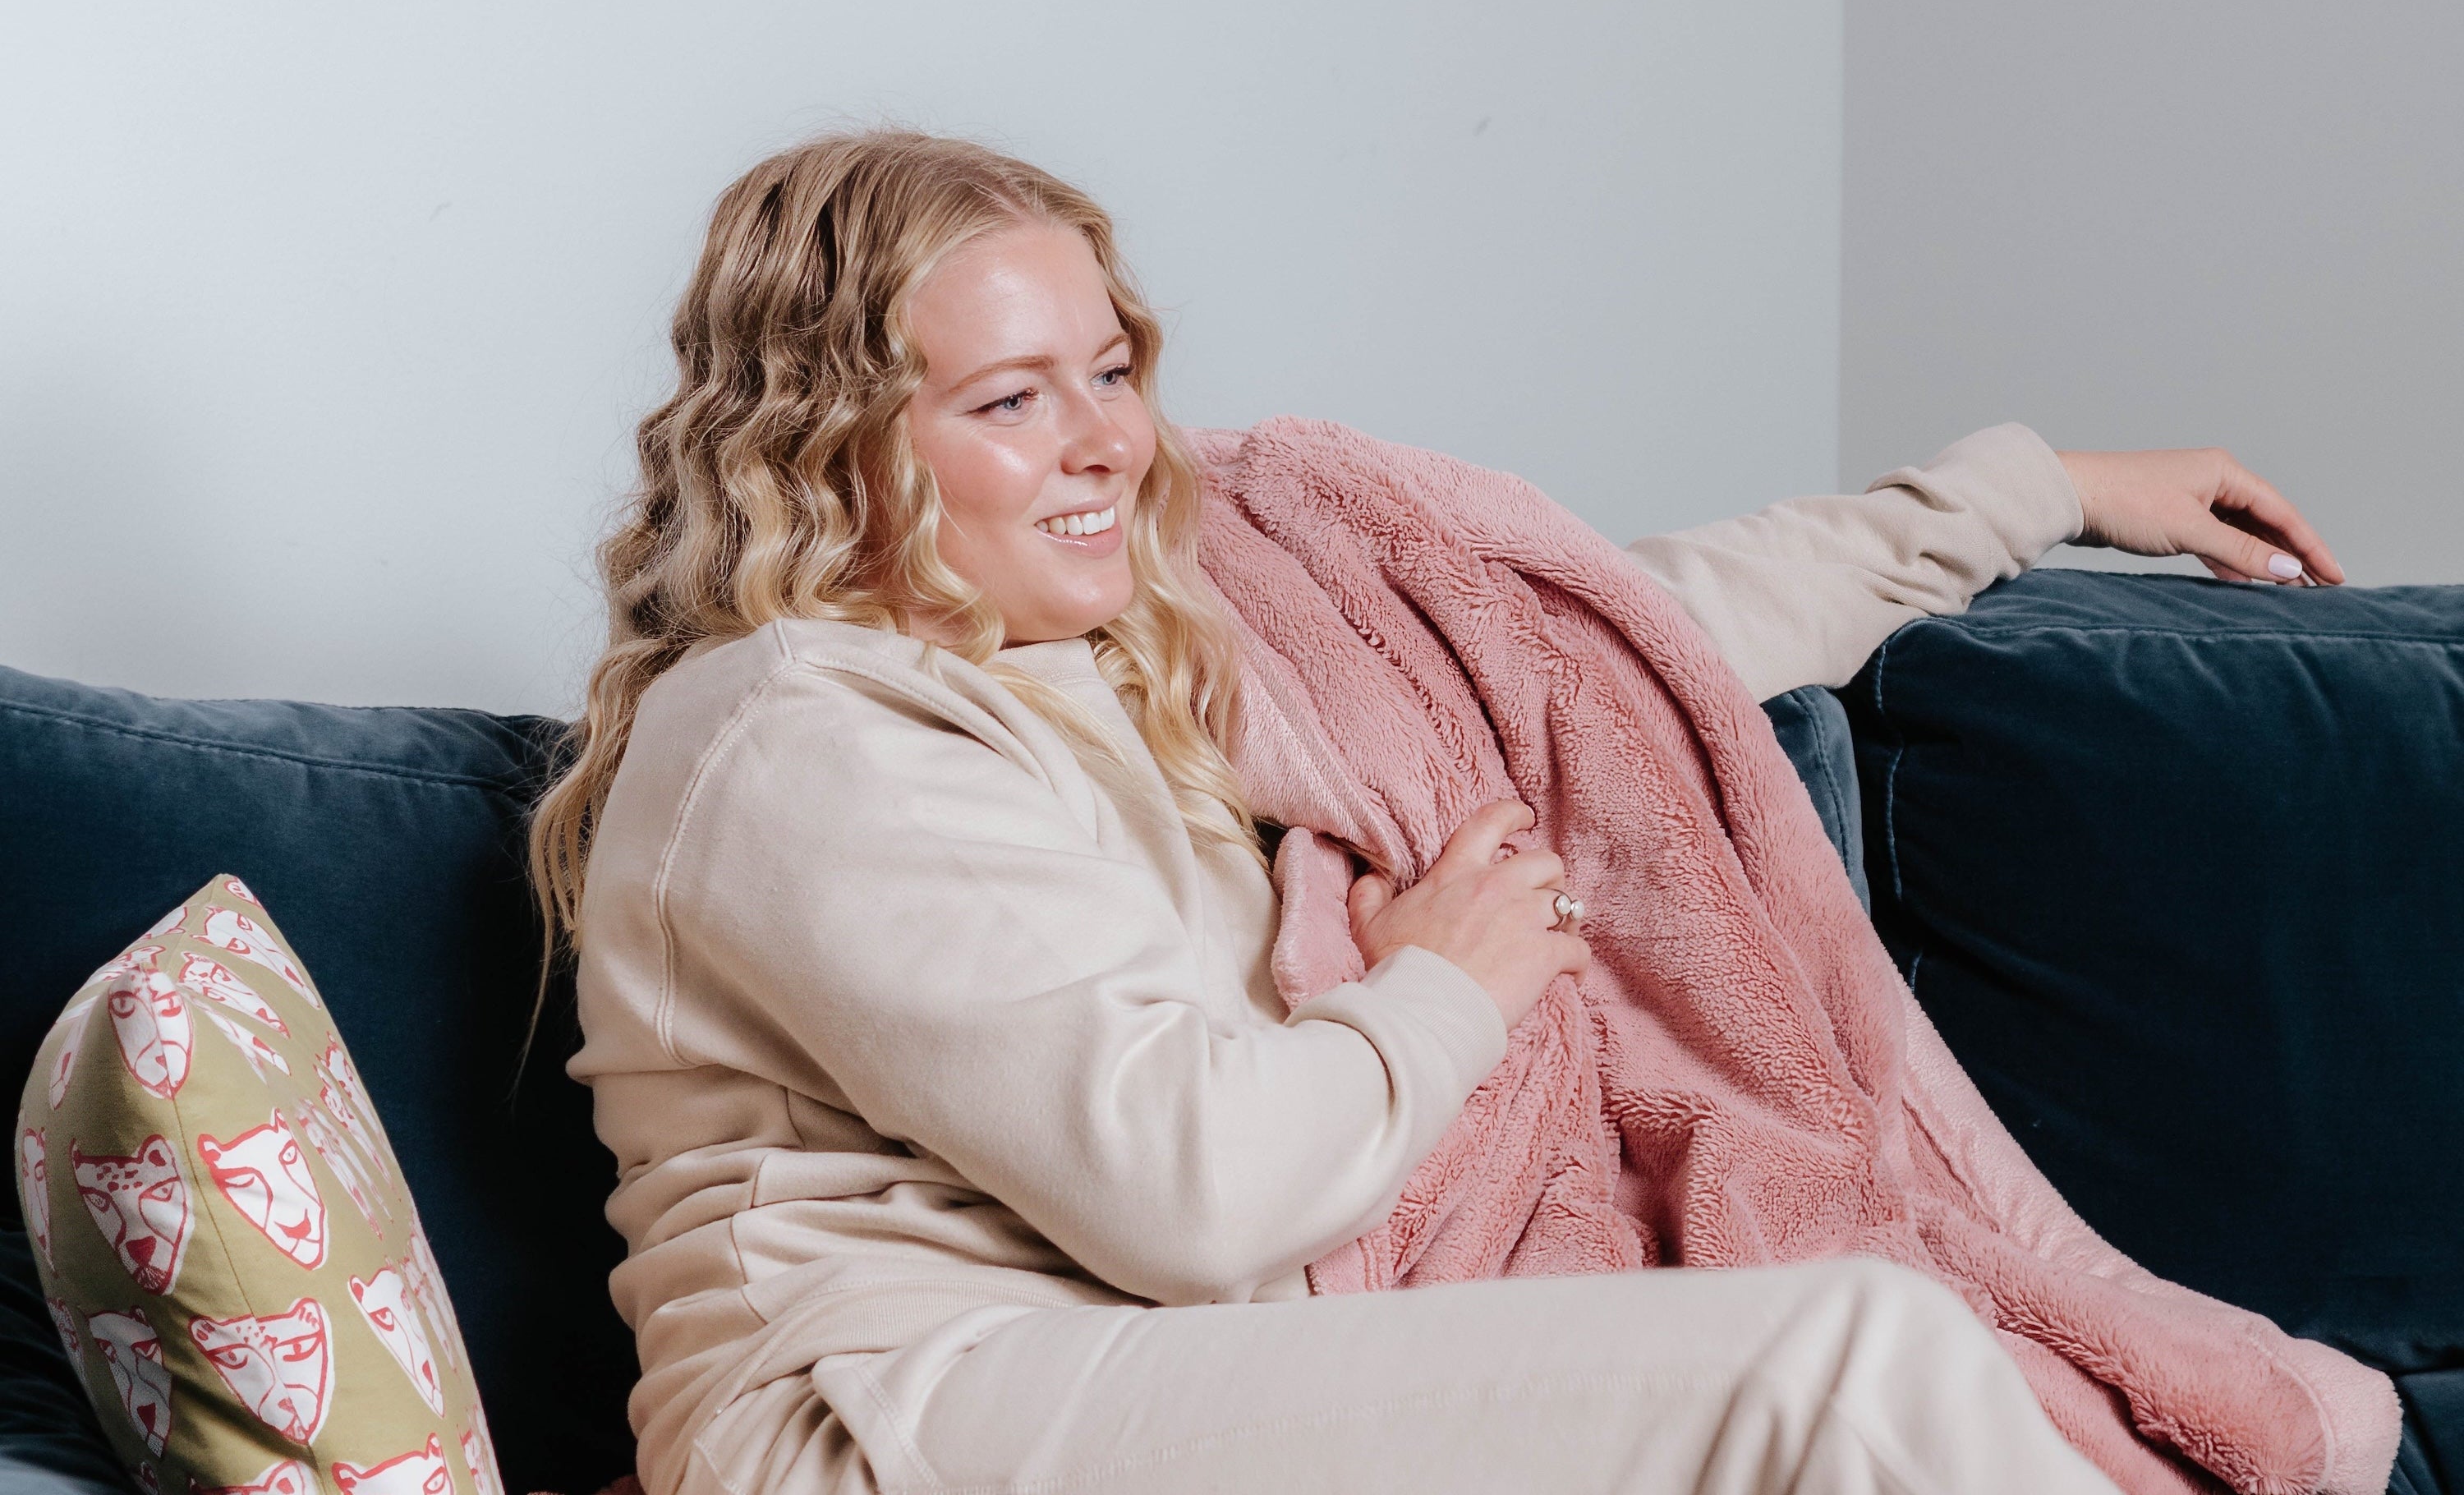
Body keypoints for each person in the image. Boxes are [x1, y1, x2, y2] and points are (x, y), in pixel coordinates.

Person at [537, 131, 2341, 1495]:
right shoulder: (792, 732)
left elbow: (1606, 641)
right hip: (896, 1413)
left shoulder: (1189, 629)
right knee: (1851, 1358)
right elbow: (1196, 1187)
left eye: (1113, 370)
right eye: (1011, 400)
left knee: (1892, 1347)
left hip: (1183, 1368)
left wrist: (2036, 488)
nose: (1105, 443)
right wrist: (1444, 988)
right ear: (829, 447)